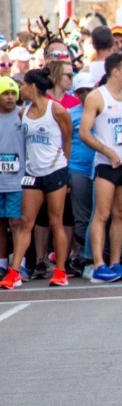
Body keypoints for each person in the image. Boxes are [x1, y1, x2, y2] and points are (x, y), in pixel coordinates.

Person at [0, 69, 73, 288]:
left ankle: (61, 271)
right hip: (32, 173)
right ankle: (14, 272)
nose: (20, 89)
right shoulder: (24, 113)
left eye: (22, 85)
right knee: (26, 222)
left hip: (55, 171)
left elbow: (68, 139)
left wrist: (65, 169)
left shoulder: (57, 110)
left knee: (56, 222)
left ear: (32, 87)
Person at [79, 53, 122, 283]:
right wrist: (108, 152)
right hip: (106, 165)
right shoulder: (97, 97)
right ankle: (98, 265)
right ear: (115, 71)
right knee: (102, 214)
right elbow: (84, 133)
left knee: (121, 214)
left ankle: (116, 263)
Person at [0, 77, 24, 276]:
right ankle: (2, 263)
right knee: (0, 224)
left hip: (18, 180)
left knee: (17, 222)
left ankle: (19, 263)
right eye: (5, 94)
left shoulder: (23, 114)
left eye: (13, 93)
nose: (10, 98)